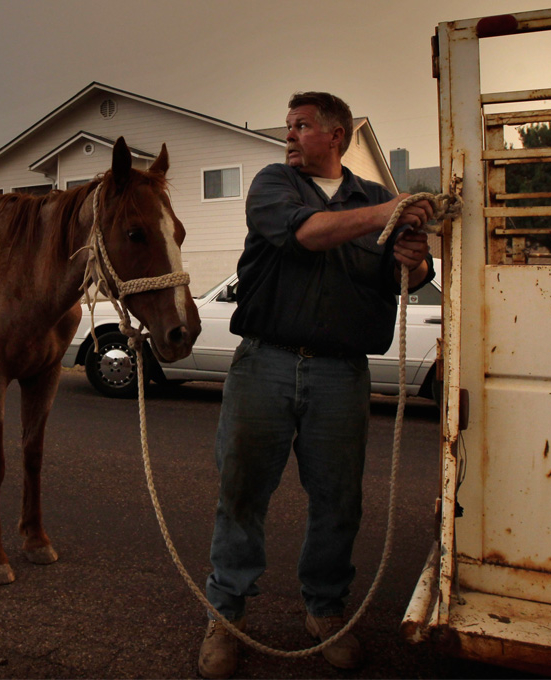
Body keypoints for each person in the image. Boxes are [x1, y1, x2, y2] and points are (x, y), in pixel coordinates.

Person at [197, 91, 435, 678]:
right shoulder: (274, 186)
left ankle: (325, 612)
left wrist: (416, 257)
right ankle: (226, 616)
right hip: (265, 363)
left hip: (341, 371)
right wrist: (389, 216)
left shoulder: (376, 198)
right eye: (288, 125)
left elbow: (404, 278)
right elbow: (306, 235)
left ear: (337, 134)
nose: (289, 135)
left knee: (338, 501)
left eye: (300, 126)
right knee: (242, 494)